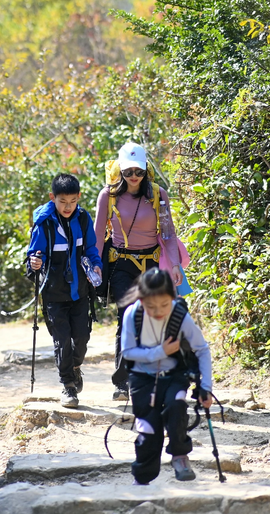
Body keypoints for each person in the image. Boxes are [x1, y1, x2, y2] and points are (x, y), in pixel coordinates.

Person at [95, 142, 182, 401]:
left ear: (146, 170)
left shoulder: (158, 194)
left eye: (139, 171)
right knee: (127, 318)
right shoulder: (107, 195)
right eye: (128, 171)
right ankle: (122, 383)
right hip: (121, 264)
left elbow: (167, 233)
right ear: (120, 170)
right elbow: (99, 234)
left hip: (151, 265)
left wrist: (175, 264)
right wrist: (94, 265)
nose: (134, 176)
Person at [120, 268, 213, 485]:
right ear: (141, 300)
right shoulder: (133, 314)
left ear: (172, 297)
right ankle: (142, 479)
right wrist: (160, 352)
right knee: (148, 430)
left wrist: (205, 387)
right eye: (151, 306)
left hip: (174, 375)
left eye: (164, 305)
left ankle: (180, 457)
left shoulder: (180, 315)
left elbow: (202, 349)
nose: (158, 311)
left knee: (176, 406)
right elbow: (127, 352)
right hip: (142, 380)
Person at [27, 174, 104, 408]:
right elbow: (33, 256)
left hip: (80, 292)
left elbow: (91, 248)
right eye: (62, 201)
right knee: (61, 340)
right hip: (54, 294)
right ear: (53, 198)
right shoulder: (44, 223)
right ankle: (68, 386)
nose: (68, 206)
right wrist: (34, 264)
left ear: (79, 197)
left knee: (81, 338)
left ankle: (75, 367)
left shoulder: (83, 219)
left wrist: (97, 266)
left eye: (72, 201)